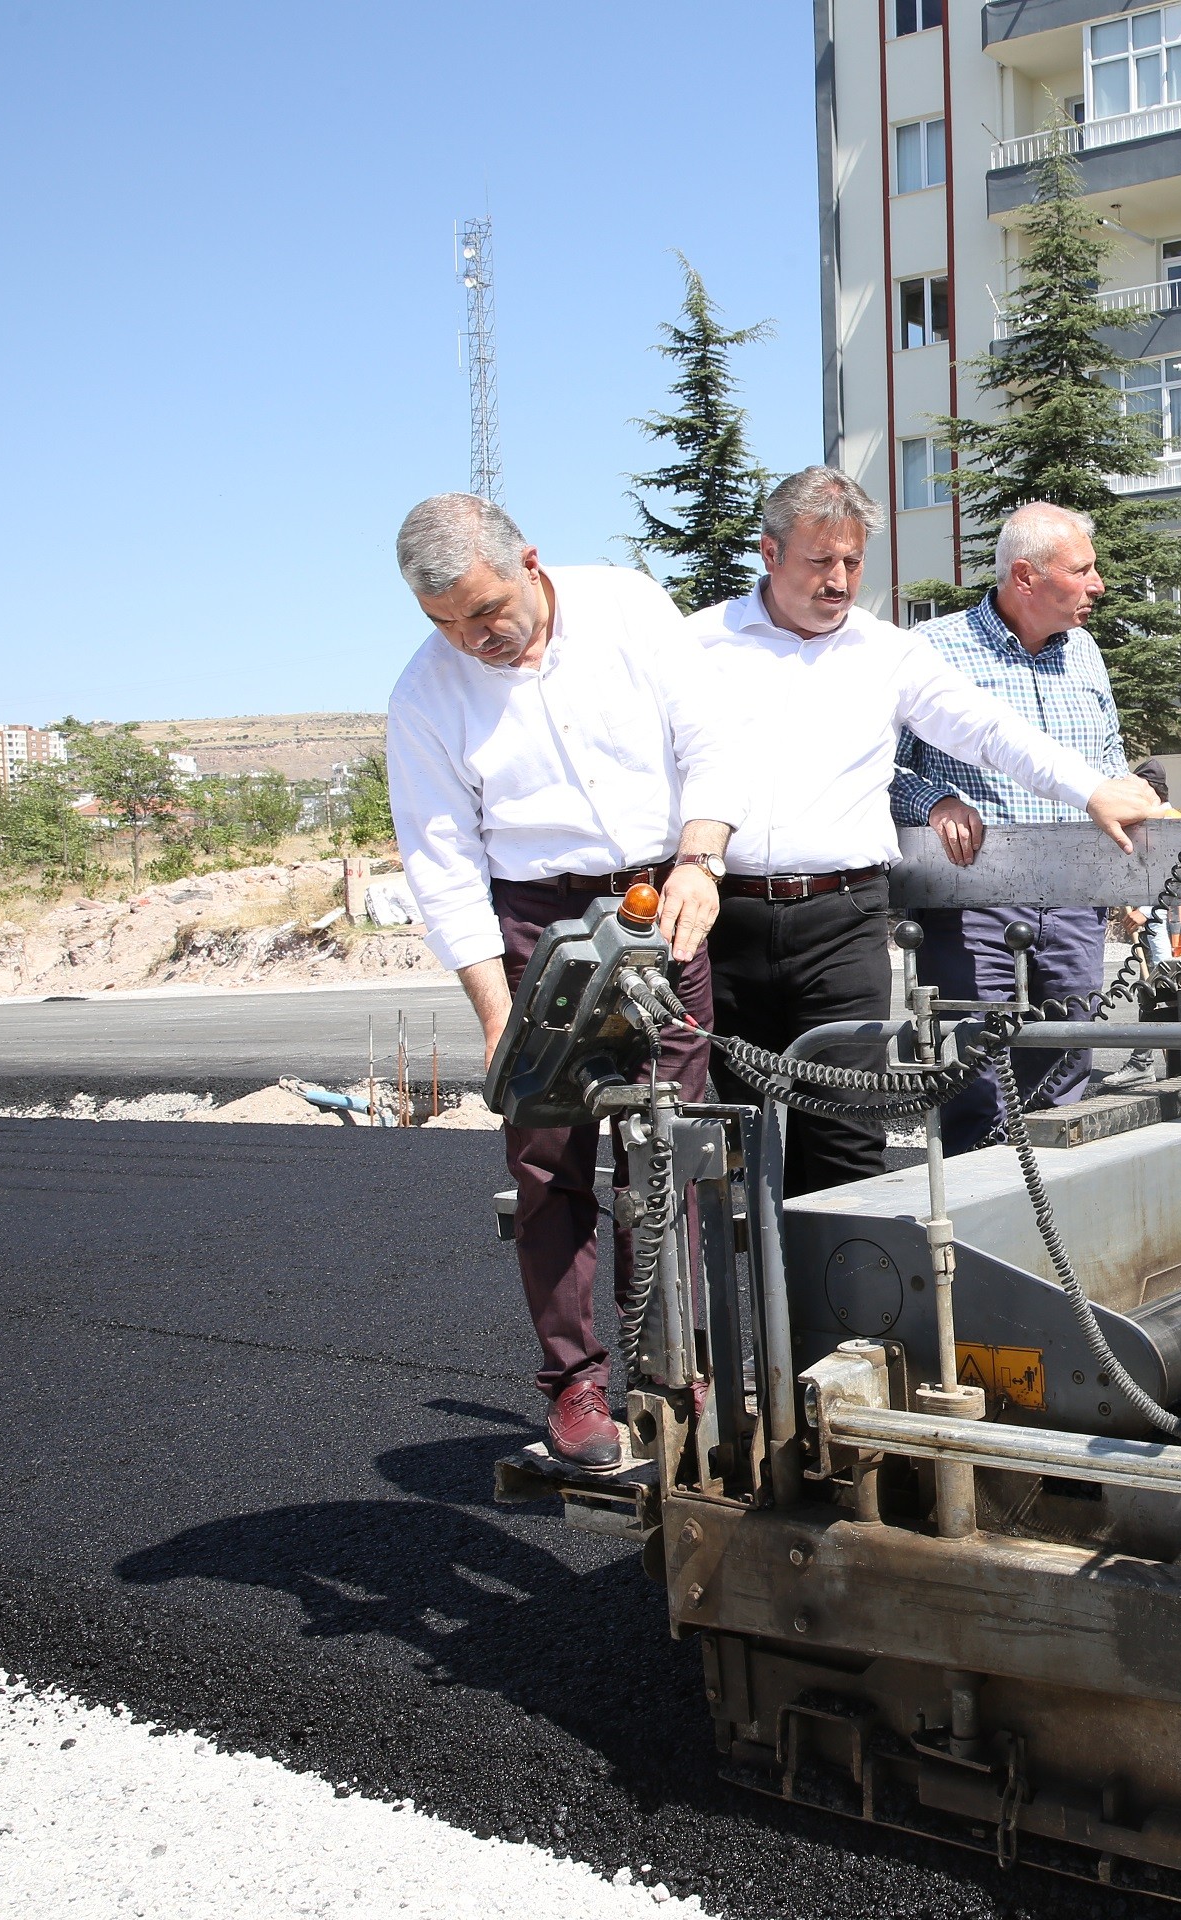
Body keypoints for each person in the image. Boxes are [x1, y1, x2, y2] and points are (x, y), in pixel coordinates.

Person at [685, 469, 1168, 1191]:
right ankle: (736, 1306)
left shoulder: (889, 653)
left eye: (853, 562)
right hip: (727, 921)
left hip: (842, 922)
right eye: (821, 561)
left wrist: (1092, 788)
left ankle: (833, 1305)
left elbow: (991, 732)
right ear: (770, 553)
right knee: (728, 1143)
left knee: (847, 1143)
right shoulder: (698, 645)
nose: (840, 580)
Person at [384, 493, 742, 1469]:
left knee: (666, 1147)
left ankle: (679, 1370)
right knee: (547, 1164)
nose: (473, 638)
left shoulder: (627, 607)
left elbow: (708, 735)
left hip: (653, 904)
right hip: (532, 926)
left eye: (486, 610)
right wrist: (499, 1015)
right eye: (446, 624)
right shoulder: (426, 695)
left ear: (529, 561)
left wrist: (701, 858)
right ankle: (575, 1387)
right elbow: (442, 861)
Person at [893, 503, 1135, 1150]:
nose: (1098, 583)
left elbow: (1107, 764)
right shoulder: (931, 651)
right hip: (974, 899)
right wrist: (934, 803)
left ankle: (1052, 1226)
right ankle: (977, 1229)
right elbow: (880, 770)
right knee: (977, 1077)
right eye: (1082, 569)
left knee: (1065, 1067)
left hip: (1077, 900)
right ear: (1025, 577)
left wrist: (1129, 876)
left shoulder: (1085, 653)